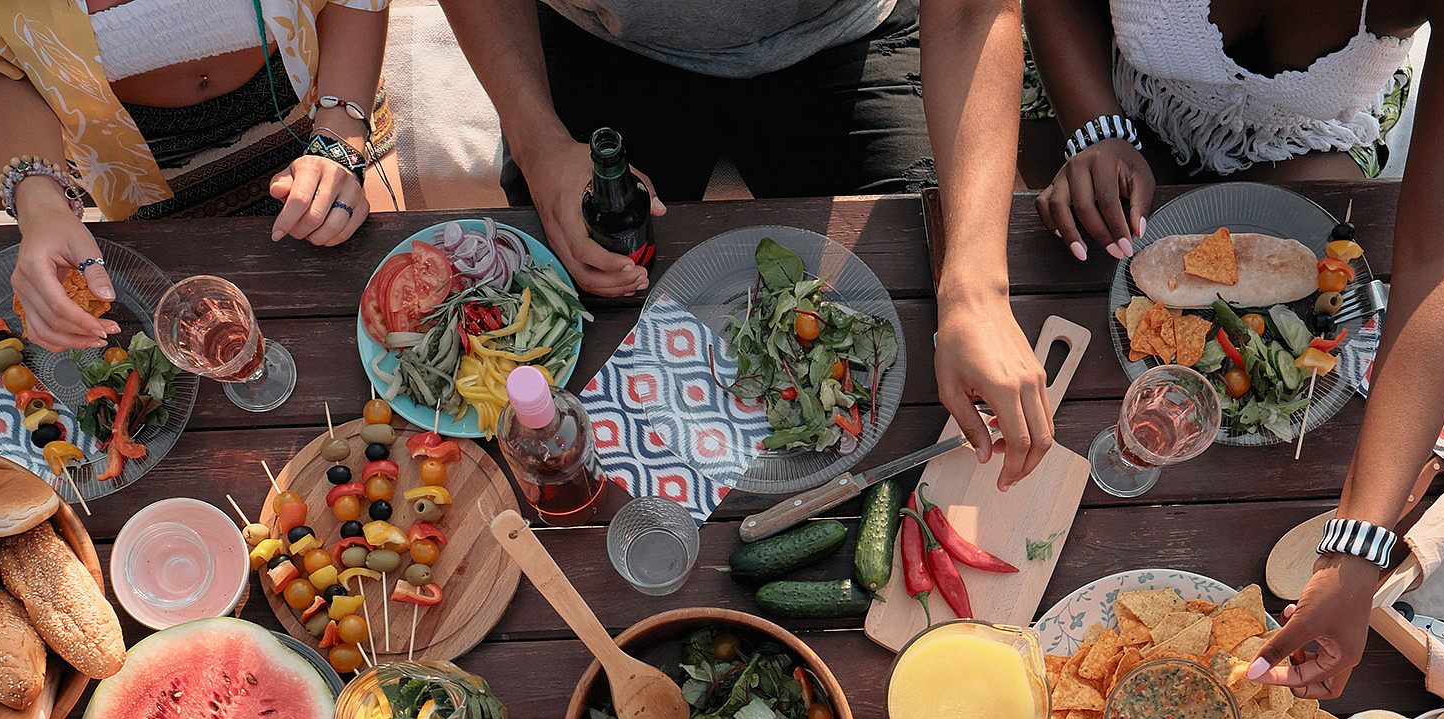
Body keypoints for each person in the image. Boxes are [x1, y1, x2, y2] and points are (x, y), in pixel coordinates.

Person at [1026, 0, 1444, 696]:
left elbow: (1441, 256)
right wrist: (1097, 127)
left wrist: (1359, 550)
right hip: (1103, 102)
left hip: (1313, 150)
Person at [437, 0, 1056, 486]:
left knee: (920, 344)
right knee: (569, 334)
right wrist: (540, 146)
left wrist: (976, 291)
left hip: (842, 41)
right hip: (606, 44)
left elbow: (976, 9)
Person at [0, 0, 399, 352]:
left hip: (323, 101)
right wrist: (40, 205)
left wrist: (340, 138)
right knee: (202, 335)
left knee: (371, 308)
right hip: (136, 168)